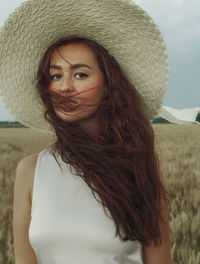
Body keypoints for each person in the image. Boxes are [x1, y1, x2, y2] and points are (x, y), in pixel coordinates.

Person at [0, 0, 172, 263]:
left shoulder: (141, 167)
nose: (64, 87)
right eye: (55, 76)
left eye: (80, 75)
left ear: (109, 83)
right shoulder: (30, 171)